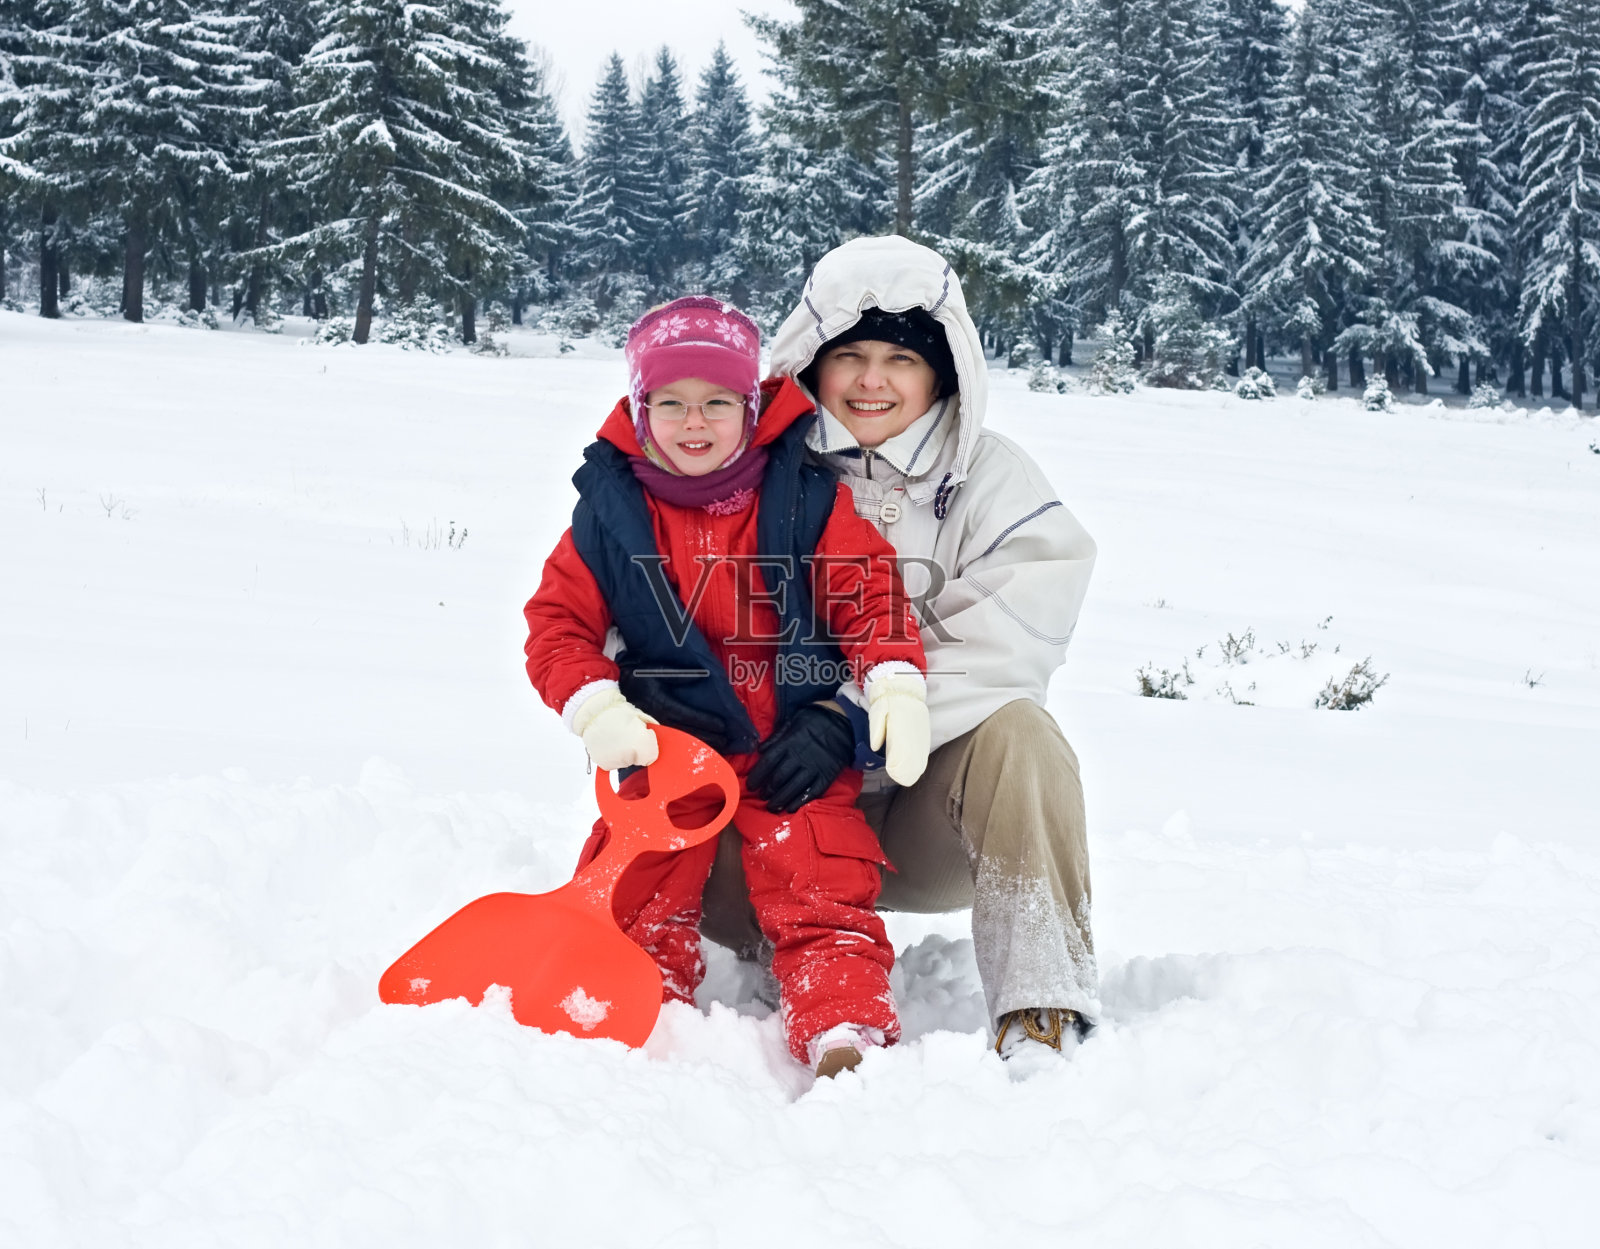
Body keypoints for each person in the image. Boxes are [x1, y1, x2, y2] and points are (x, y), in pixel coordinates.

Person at [694, 237, 1101, 1068]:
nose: (871, 381)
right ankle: (765, 963)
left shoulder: (994, 480)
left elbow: (1007, 644)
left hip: (921, 822)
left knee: (1024, 733)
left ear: (944, 371)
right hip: (772, 811)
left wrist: (852, 716)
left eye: (899, 359)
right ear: (812, 361)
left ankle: (1042, 1003)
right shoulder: (747, 471)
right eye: (850, 355)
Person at [522, 296, 932, 1078]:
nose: (694, 422)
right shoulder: (611, 512)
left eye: (717, 402)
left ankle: (841, 1019)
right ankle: (633, 1001)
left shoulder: (807, 494)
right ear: (641, 412)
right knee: (637, 880)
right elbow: (556, 623)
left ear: (751, 407)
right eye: (670, 404)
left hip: (789, 748)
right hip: (674, 748)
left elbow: (868, 588)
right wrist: (596, 705)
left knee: (820, 874)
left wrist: (893, 682)